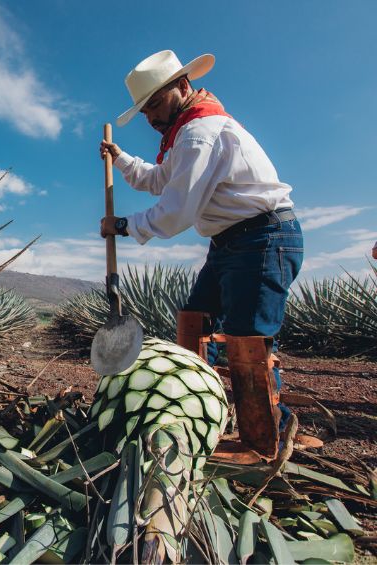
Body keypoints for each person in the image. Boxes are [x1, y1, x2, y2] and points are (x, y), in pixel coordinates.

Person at [99, 50, 303, 459]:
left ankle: (265, 442)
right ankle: (197, 412)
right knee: (195, 322)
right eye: (145, 110)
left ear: (183, 86)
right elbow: (159, 180)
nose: (152, 117)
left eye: (156, 103)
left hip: (262, 237)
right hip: (231, 242)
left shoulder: (199, 133)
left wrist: (122, 226)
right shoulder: (183, 137)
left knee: (248, 339)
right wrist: (120, 159)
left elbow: (176, 212)